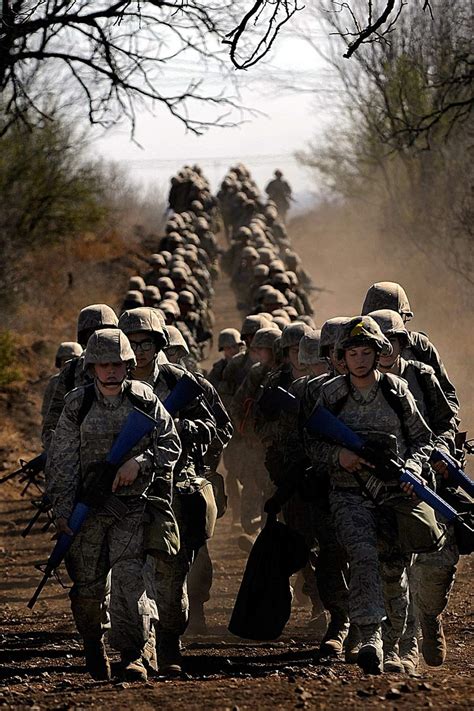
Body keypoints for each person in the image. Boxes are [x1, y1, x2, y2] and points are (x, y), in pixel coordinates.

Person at [305, 316, 445, 674]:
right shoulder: (331, 395)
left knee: (394, 567)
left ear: (378, 352)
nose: (360, 359)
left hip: (394, 494)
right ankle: (370, 636)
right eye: (353, 353)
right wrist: (340, 456)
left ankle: (398, 643)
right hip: (349, 494)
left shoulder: (397, 391)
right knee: (364, 557)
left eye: (367, 352)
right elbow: (311, 445)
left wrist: (412, 469)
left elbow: (423, 439)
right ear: (342, 357)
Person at [45, 329, 181, 682]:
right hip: (87, 511)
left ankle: (134, 654)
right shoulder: (78, 404)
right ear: (91, 367)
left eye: (117, 364)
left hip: (131, 507)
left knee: (129, 581)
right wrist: (62, 510)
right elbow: (61, 459)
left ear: (128, 365)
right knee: (88, 588)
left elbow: (170, 444)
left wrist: (141, 462)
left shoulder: (144, 400)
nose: (109, 371)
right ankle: (93, 643)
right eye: (102, 364)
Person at [118, 307, 217, 675]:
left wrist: (176, 426)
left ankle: (169, 641)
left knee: (172, 580)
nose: (139, 350)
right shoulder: (112, 382)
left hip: (172, 489)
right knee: (132, 573)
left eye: (147, 343)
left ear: (159, 343)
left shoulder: (181, 382)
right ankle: (140, 651)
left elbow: (214, 427)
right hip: (127, 492)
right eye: (132, 343)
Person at [370, 308, 459, 672]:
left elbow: (446, 422)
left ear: (402, 342)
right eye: (380, 342)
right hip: (383, 490)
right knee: (393, 569)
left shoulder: (421, 375)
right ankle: (402, 648)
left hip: (429, 485)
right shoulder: (360, 382)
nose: (386, 348)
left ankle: (429, 617)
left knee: (438, 563)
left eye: (392, 341)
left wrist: (437, 452)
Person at [41, 342, 83, 425]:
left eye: (73, 360)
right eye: (65, 360)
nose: (68, 363)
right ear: (59, 362)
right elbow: (46, 408)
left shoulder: (86, 381)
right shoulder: (54, 382)